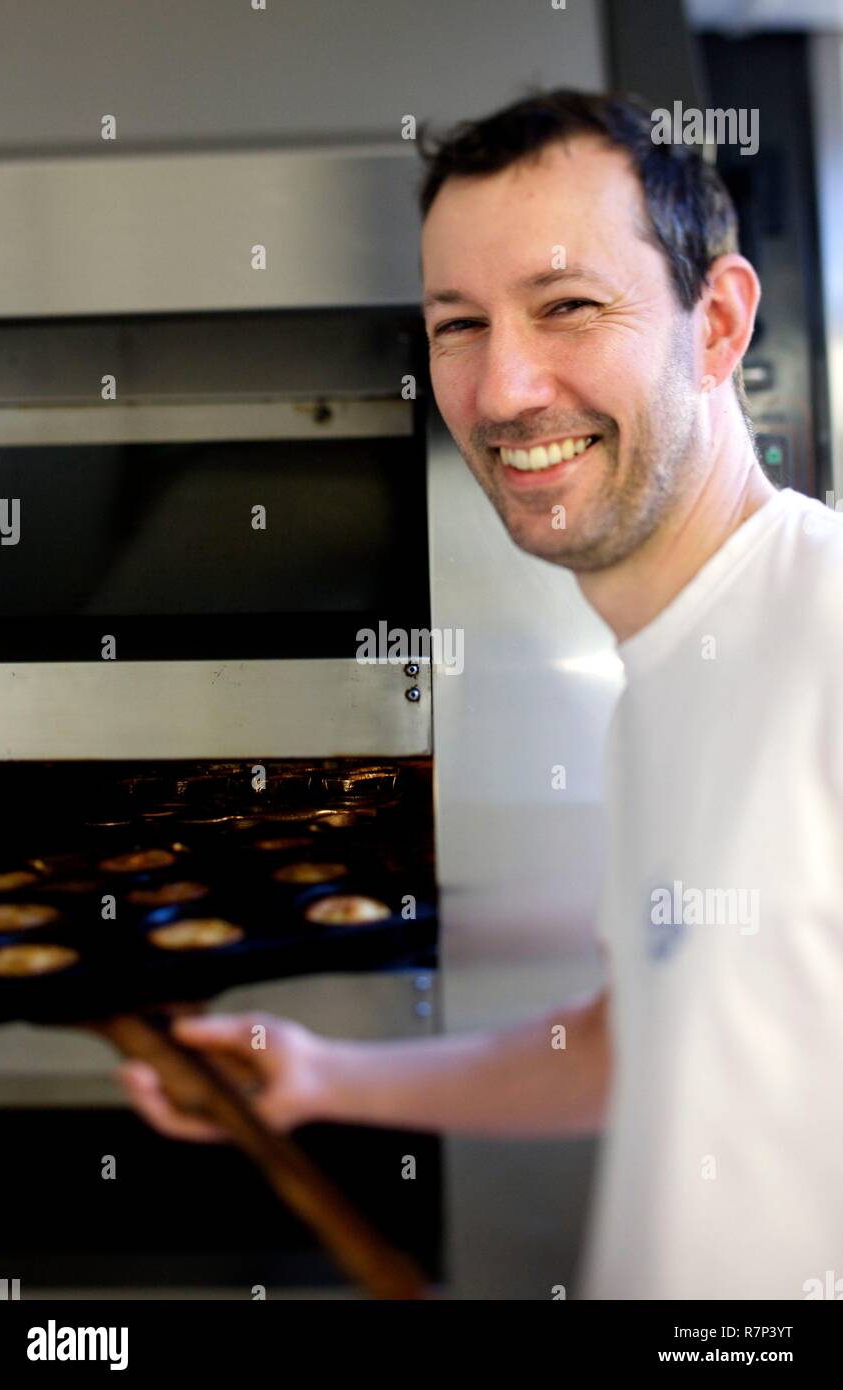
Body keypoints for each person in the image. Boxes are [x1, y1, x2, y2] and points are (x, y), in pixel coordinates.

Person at [121, 90, 843, 1300]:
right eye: (457, 325)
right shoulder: (663, 683)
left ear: (715, 323)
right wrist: (325, 1076)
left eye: (566, 306)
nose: (503, 390)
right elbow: (639, 1048)